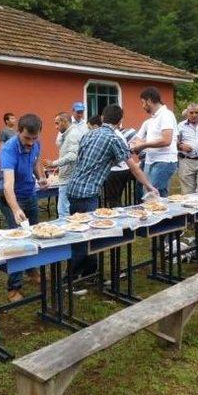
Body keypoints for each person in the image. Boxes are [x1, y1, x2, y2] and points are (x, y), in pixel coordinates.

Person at [67, 104, 158, 276]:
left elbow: (82, 161)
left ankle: (90, 271)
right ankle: (70, 277)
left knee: (81, 231)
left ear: (102, 118)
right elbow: (134, 168)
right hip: (88, 192)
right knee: (84, 235)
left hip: (73, 189)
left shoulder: (89, 134)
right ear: (119, 122)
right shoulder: (114, 139)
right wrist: (149, 186)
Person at [0, 114, 47, 302]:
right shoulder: (8, 150)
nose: (30, 143)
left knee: (34, 235)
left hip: (30, 194)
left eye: (34, 139)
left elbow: (36, 161)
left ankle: (32, 271)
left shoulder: (36, 143)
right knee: (18, 242)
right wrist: (16, 209)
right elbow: (8, 186)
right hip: (11, 198)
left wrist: (41, 177)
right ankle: (13, 287)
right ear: (18, 132)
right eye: (27, 138)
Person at [130, 87, 179, 197]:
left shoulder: (166, 115)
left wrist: (143, 145)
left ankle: (158, 214)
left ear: (149, 101)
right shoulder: (152, 119)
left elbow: (167, 140)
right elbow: (139, 138)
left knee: (152, 195)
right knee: (153, 193)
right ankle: (164, 213)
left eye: (143, 103)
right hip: (151, 160)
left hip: (164, 161)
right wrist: (140, 144)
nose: (142, 106)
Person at [43, 112, 87, 218]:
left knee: (63, 212)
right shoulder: (70, 133)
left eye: (57, 123)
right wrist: (60, 166)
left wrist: (53, 163)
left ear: (65, 121)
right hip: (70, 176)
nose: (56, 127)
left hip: (68, 179)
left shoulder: (72, 134)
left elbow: (73, 156)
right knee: (70, 211)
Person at [104, 126, 137, 207]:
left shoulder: (112, 135)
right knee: (117, 198)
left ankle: (117, 216)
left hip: (115, 170)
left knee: (113, 200)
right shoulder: (119, 134)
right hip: (124, 168)